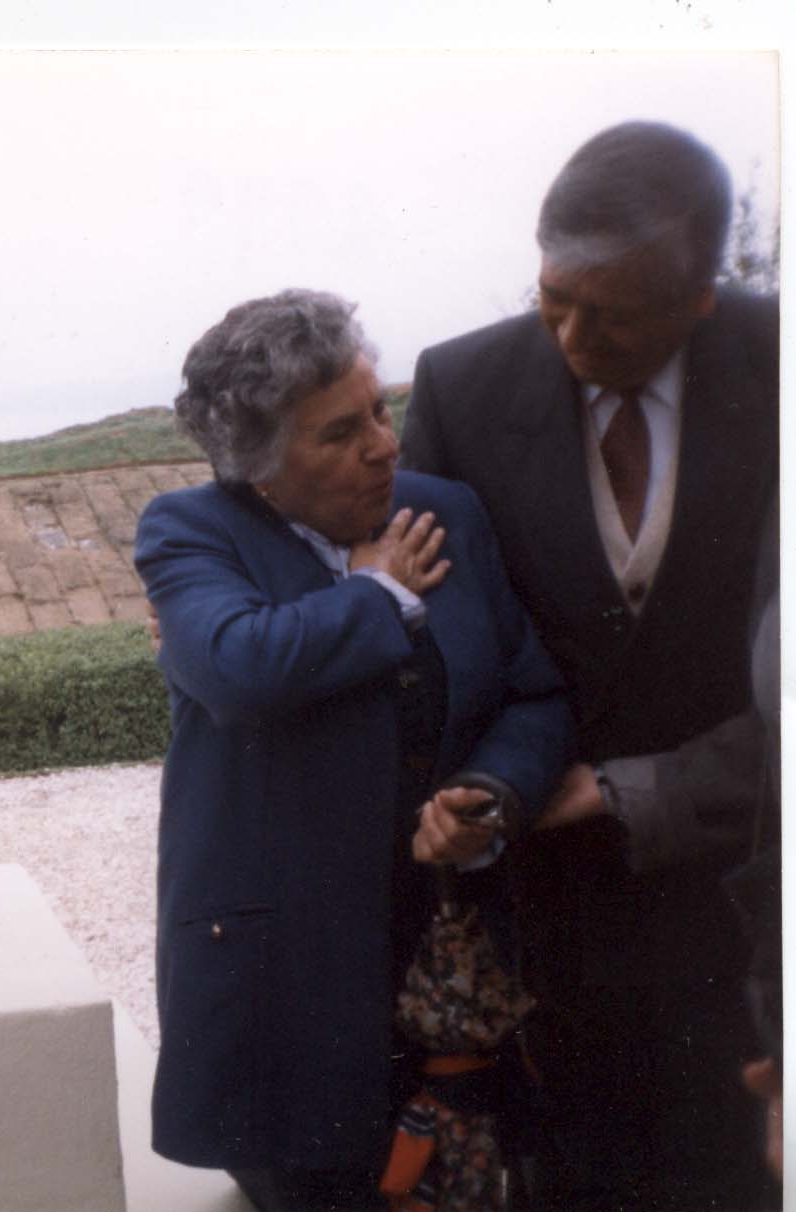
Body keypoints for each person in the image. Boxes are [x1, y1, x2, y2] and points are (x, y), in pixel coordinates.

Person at [399, 120, 779, 1210]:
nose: (569, 336)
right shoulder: (461, 389)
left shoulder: (778, 363)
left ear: (701, 291)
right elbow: (444, 649)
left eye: (609, 313)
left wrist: (642, 792)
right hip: (547, 914)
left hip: (746, 904)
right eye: (551, 298)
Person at [136, 290, 570, 1211]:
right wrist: (380, 597)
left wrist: (489, 793)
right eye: (338, 434)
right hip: (285, 993)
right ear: (260, 467)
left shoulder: (443, 510)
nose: (383, 444)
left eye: (380, 410)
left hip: (451, 971)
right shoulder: (194, 532)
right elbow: (236, 666)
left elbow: (532, 693)